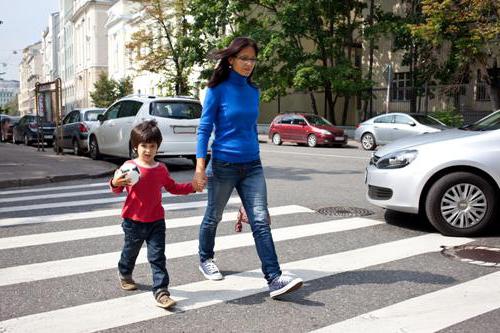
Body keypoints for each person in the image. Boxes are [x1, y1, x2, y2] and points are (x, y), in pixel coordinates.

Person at [193, 37, 303, 299]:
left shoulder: (254, 91)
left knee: (261, 220)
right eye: (244, 58)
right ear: (230, 60)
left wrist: (252, 177)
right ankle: (205, 258)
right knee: (213, 217)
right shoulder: (216, 90)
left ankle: (274, 278)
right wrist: (200, 168)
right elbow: (204, 129)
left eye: (252, 59)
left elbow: (250, 130)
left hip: (252, 165)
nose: (249, 64)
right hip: (223, 164)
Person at [110, 120, 199, 309]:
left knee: (157, 258)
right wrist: (115, 182)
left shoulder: (161, 169)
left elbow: (173, 187)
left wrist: (192, 187)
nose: (148, 150)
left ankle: (161, 292)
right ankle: (124, 272)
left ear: (158, 147)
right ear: (136, 147)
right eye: (143, 146)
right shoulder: (128, 167)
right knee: (130, 252)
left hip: (156, 222)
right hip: (133, 221)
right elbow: (116, 188)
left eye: (152, 146)